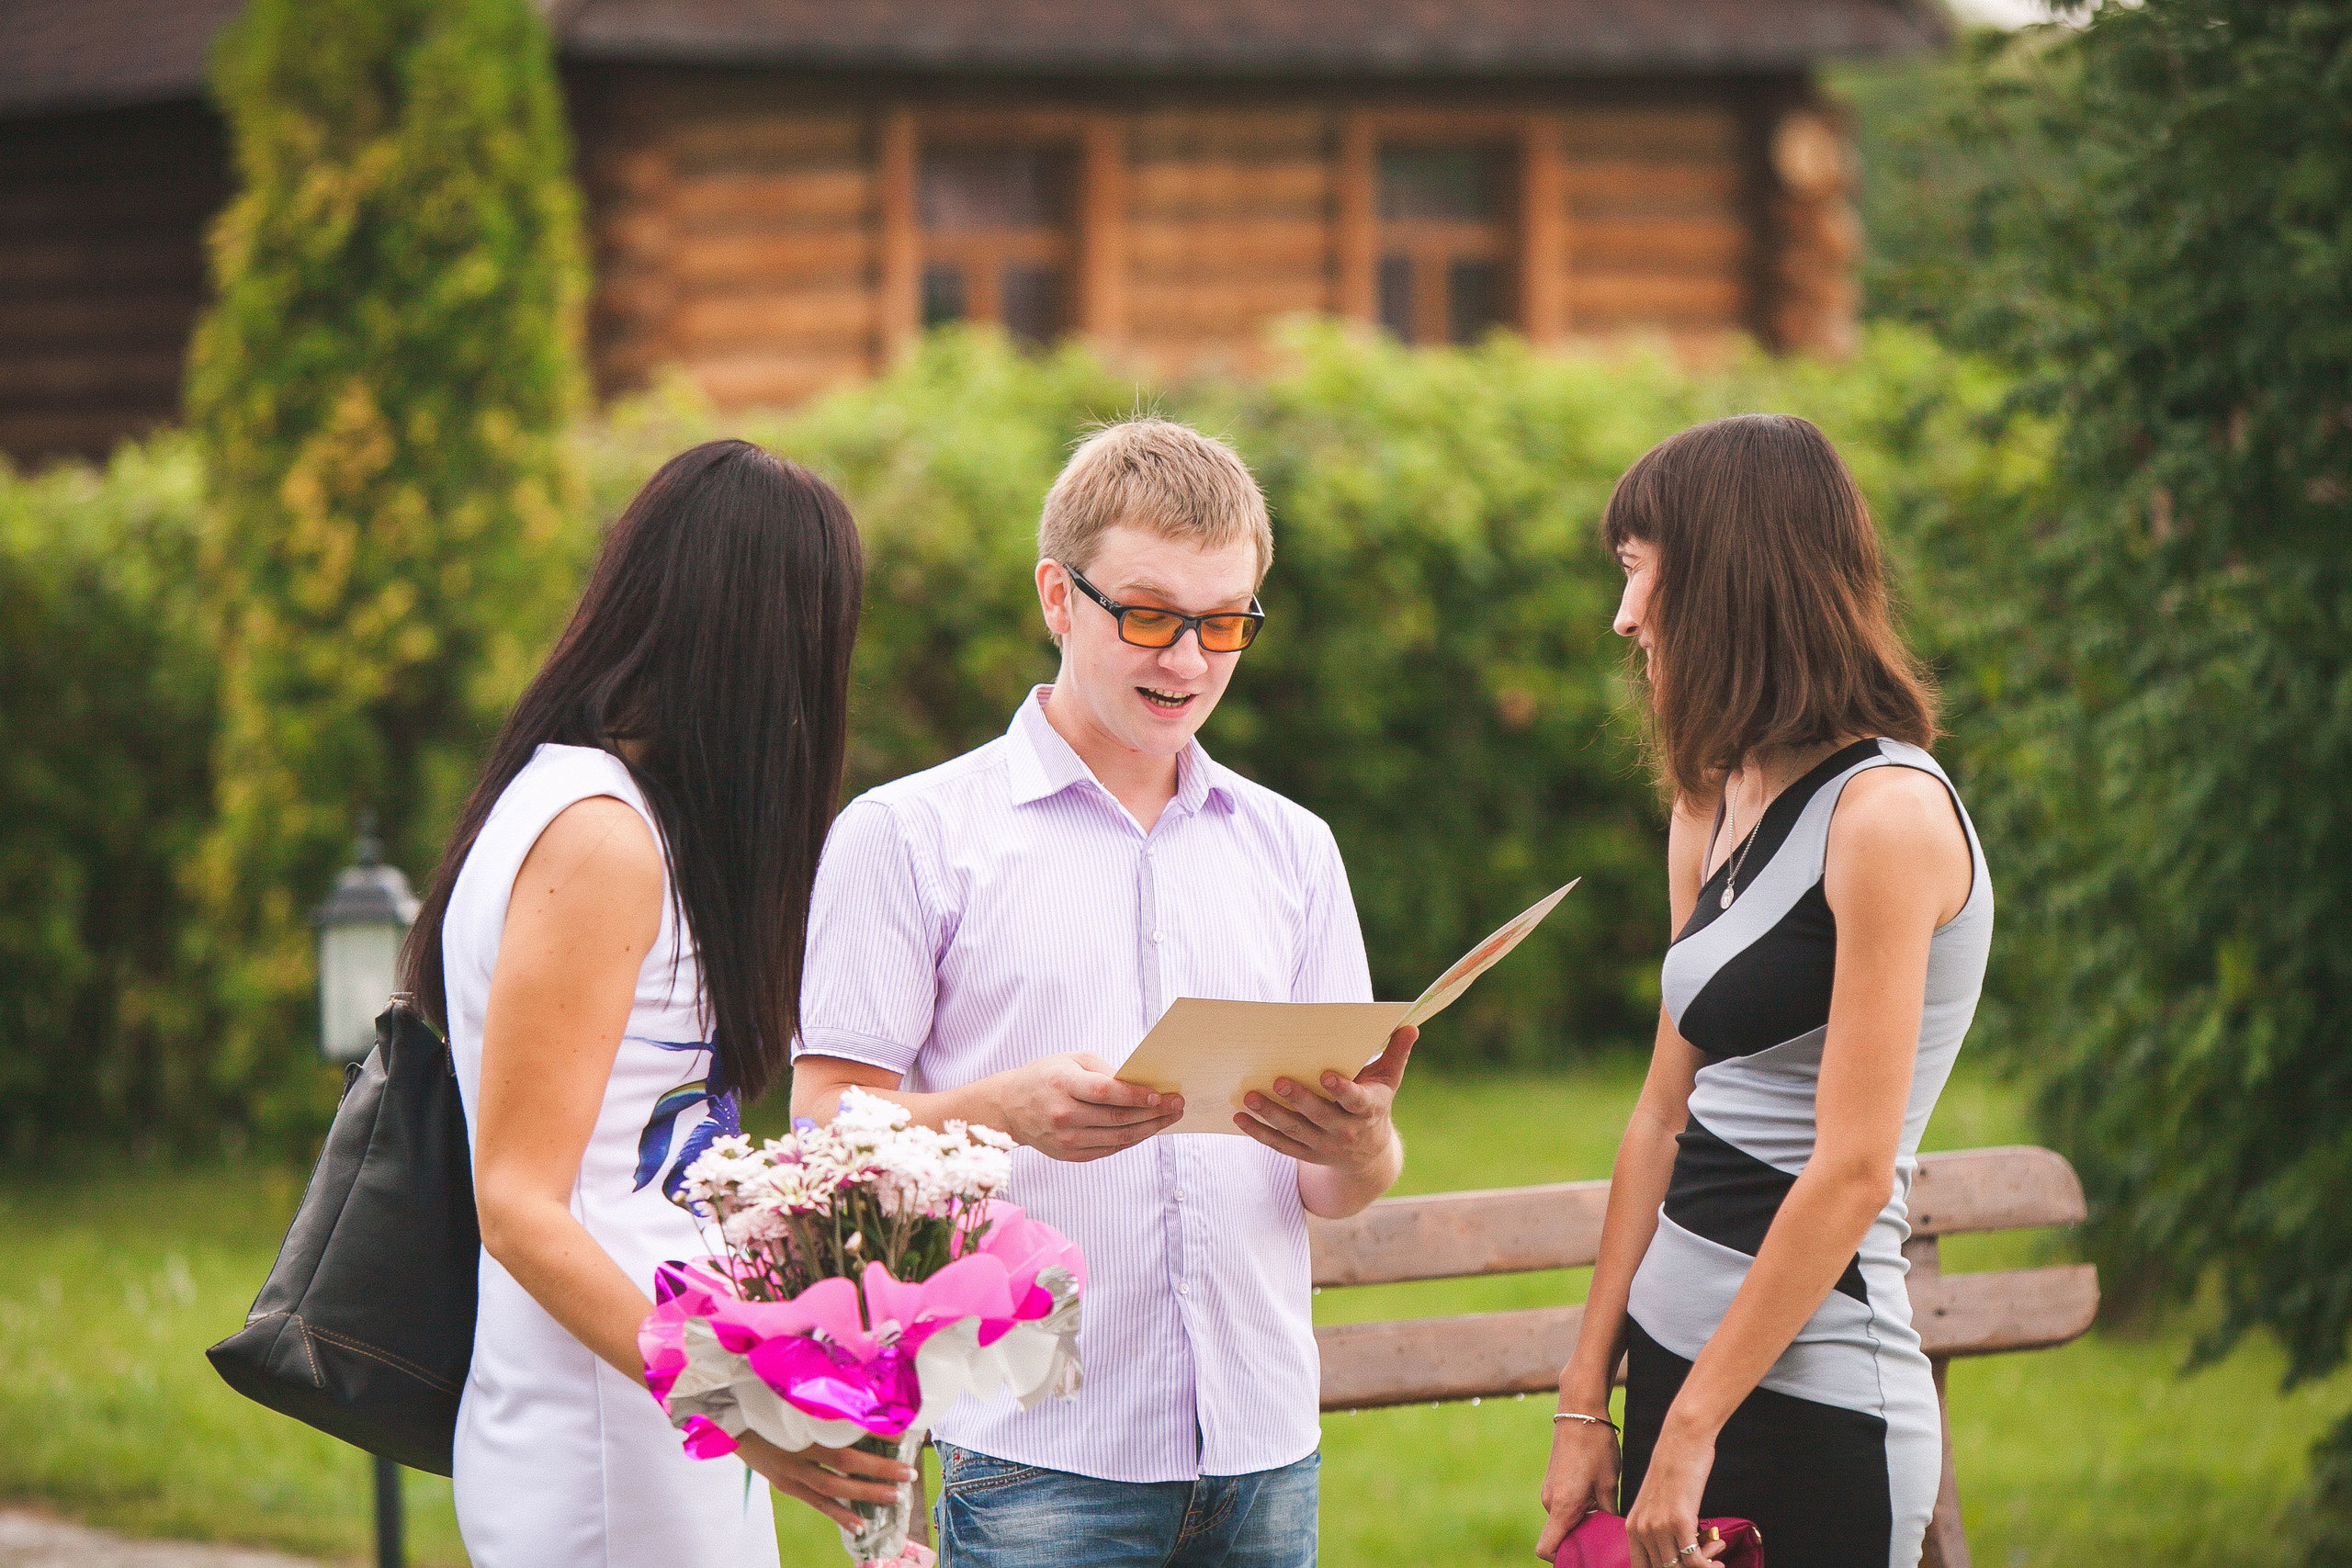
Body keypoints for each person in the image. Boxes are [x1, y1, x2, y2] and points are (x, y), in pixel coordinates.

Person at [791, 417, 1417, 1568]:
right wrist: (1001, 1112)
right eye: (1147, 614)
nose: (1186, 660)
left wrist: (1362, 1138)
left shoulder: (1294, 849)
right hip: (1034, 1447)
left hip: (1266, 1444)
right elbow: (818, 1141)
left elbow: (1338, 1189)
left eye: (1223, 623)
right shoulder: (909, 836)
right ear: (1056, 597)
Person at [398, 441, 905, 1565]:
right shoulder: (598, 836)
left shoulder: (618, 814)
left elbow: (652, 1146)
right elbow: (523, 1200)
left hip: (656, 1392)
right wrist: (732, 1398)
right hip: (604, 1431)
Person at [1534, 414, 1991, 1568]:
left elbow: (1849, 1169)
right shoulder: (1711, 798)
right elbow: (1660, 1112)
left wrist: (1694, 1429)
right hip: (1674, 1376)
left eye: (1640, 571)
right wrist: (1588, 1398)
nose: (1623, 615)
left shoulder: (1885, 817)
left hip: (1814, 1400)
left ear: (1731, 575)